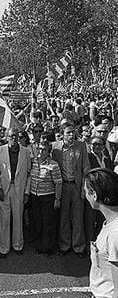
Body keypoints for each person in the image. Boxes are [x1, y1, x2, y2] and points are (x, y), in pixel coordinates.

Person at [52, 121, 90, 257]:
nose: (71, 134)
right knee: (63, 217)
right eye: (68, 132)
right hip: (63, 186)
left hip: (76, 185)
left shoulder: (81, 146)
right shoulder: (55, 148)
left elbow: (86, 168)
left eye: (73, 132)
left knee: (77, 217)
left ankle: (79, 246)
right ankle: (64, 245)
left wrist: (84, 189)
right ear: (62, 134)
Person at [0, 127, 31, 258]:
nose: (13, 138)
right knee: (4, 219)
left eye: (15, 136)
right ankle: (4, 248)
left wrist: (27, 192)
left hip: (19, 189)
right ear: (6, 137)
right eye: (10, 136)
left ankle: (18, 245)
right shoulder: (0, 151)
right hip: (4, 189)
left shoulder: (26, 152)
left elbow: (29, 173)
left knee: (18, 218)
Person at [84, 168, 118, 298]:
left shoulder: (115, 233)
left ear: (94, 194)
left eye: (86, 192)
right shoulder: (109, 224)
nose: (85, 196)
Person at [29, 141, 62, 256]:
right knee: (37, 222)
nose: (41, 151)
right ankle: (39, 245)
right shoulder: (32, 161)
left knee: (48, 223)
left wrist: (57, 199)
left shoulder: (53, 164)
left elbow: (58, 183)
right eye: (40, 148)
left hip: (48, 196)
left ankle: (47, 247)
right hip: (34, 196)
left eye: (44, 149)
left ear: (49, 152)